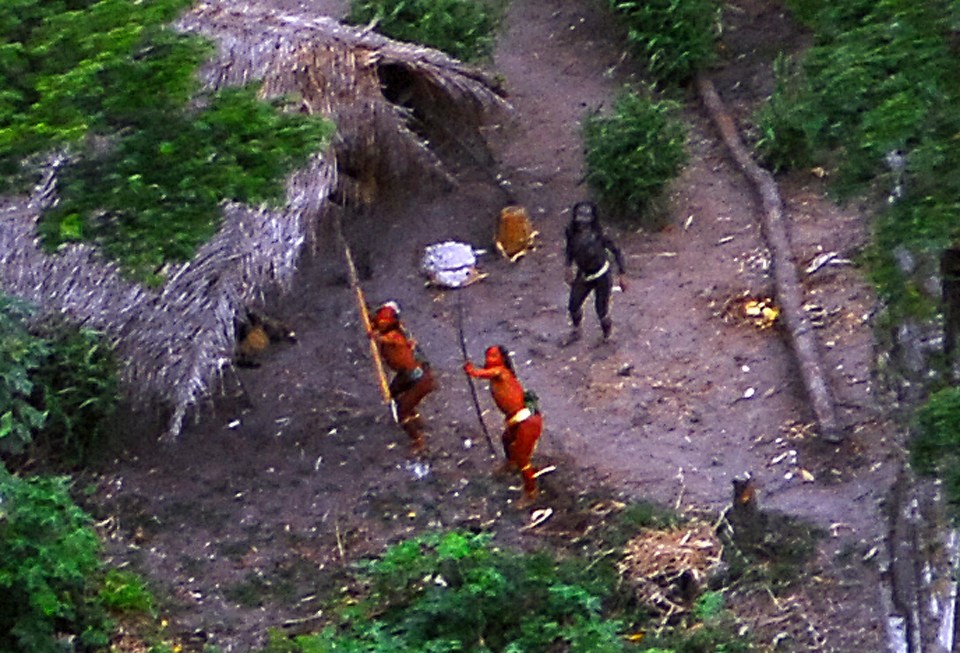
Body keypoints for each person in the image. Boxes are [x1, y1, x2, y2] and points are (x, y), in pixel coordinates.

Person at [464, 345, 543, 503]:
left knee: (522, 458)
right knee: (507, 440)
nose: (489, 360)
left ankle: (531, 491)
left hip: (527, 421)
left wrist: (472, 370)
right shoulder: (496, 375)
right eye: (487, 356)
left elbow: (483, 373)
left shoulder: (501, 372)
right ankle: (511, 463)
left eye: (493, 356)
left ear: (502, 359)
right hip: (516, 420)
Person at [368, 301, 436, 452]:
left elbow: (381, 338)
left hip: (418, 377)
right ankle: (415, 417)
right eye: (380, 319)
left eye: (385, 320)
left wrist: (374, 335)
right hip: (406, 374)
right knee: (394, 394)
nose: (381, 322)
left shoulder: (396, 335)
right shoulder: (388, 329)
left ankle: (418, 440)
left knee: (402, 410)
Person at [563, 200, 627, 343]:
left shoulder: (600, 235)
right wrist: (568, 267)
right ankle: (576, 329)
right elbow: (569, 250)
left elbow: (616, 252)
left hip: (602, 275)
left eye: (585, 223)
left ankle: (607, 336)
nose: (582, 226)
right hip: (584, 274)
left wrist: (621, 274)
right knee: (573, 304)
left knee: (601, 309)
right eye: (580, 222)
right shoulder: (571, 233)